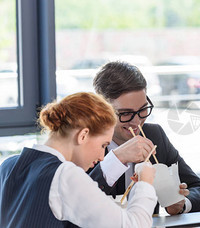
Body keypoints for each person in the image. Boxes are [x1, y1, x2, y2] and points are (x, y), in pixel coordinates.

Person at [0, 92, 157, 227]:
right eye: (103, 145)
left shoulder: (8, 166)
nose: (102, 156)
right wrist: (145, 183)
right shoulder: (65, 176)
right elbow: (133, 225)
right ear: (83, 135)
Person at [88, 61, 200, 215]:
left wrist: (180, 204)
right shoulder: (86, 142)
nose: (137, 121)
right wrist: (117, 158)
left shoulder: (154, 135)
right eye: (125, 113)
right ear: (102, 110)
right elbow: (76, 200)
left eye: (143, 110)